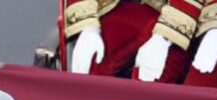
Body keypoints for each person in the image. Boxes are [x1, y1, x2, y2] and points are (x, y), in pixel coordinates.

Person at [63, 0, 207, 83]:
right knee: (91, 66)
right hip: (110, 7)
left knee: (153, 72)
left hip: (170, 11)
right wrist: (86, 26)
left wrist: (165, 36)